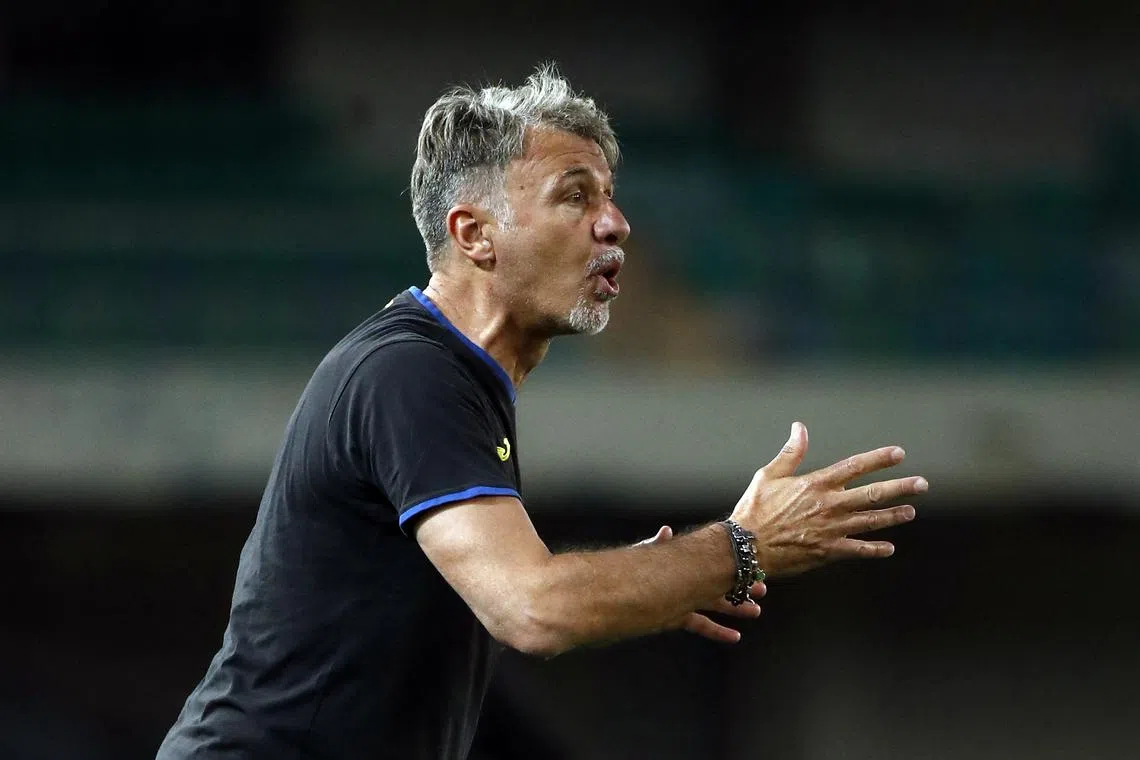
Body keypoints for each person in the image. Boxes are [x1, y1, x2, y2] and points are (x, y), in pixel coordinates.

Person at [156, 65, 928, 760]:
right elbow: (533, 609)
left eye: (610, 196)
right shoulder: (411, 375)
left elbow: (525, 599)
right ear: (474, 234)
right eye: (575, 195)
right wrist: (744, 546)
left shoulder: (454, 376)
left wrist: (654, 578)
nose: (616, 223)